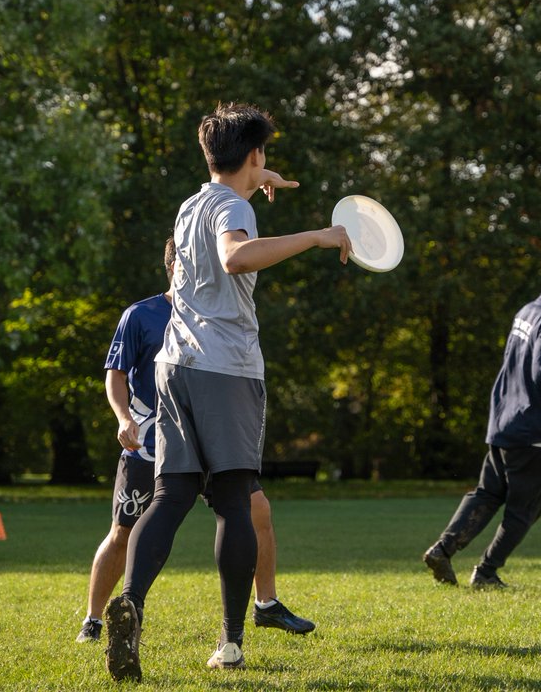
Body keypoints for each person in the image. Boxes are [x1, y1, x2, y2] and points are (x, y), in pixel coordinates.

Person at [105, 103, 350, 681]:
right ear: (255, 153)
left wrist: (257, 177)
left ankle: (131, 605)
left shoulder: (193, 203)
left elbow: (226, 203)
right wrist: (317, 236)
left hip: (173, 365)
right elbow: (235, 256)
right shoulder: (235, 209)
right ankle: (231, 643)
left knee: (170, 496)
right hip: (225, 369)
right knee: (235, 501)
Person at [76, 238, 314, 644]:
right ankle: (95, 620)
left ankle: (266, 604)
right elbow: (115, 374)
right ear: (174, 266)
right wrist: (123, 418)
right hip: (150, 444)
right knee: (123, 533)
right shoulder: (141, 315)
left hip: (208, 439)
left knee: (257, 509)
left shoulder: (213, 316)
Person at [422, 245, 541, 589]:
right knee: (526, 508)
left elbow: (528, 367)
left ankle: (442, 550)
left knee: (487, 494)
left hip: (504, 421)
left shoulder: (529, 311)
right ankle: (486, 572)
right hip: (535, 431)